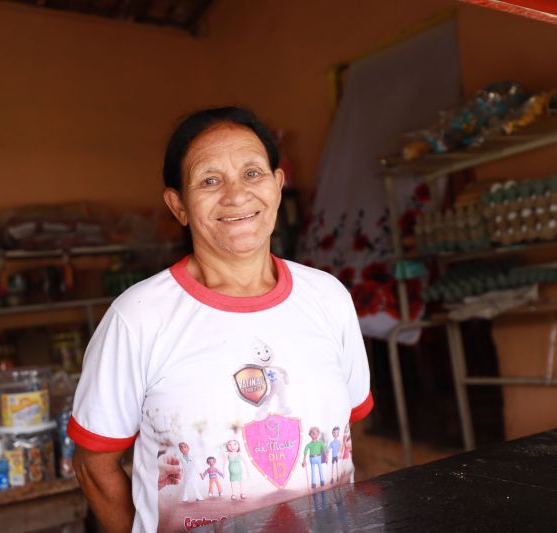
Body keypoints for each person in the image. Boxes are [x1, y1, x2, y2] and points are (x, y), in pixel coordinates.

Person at [69, 106, 373, 533]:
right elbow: (93, 466)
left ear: (277, 184)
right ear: (179, 206)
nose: (235, 195)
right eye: (210, 180)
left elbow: (345, 430)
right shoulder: (138, 317)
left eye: (252, 173)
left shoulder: (328, 297)